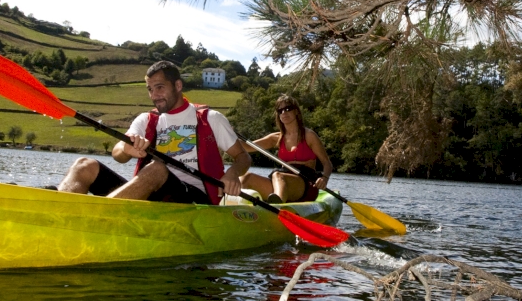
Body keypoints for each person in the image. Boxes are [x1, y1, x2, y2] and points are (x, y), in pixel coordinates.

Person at [58, 60, 249, 203]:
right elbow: (118, 153)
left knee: (157, 168)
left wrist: (232, 173)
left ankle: (101, 214)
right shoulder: (146, 119)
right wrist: (126, 148)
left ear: (178, 86)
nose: (154, 95)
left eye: (159, 87)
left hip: (195, 200)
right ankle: (58, 212)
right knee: (84, 165)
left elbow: (243, 157)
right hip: (149, 194)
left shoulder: (211, 118)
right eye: (150, 89)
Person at [241, 94, 334, 203]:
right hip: (282, 181)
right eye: (280, 110)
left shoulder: (309, 135)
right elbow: (247, 146)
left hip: (306, 184)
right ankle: (239, 209)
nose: (284, 112)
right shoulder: (276, 138)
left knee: (278, 175)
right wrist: (225, 136)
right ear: (278, 115)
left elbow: (327, 163)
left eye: (288, 109)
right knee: (246, 177)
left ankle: (278, 205)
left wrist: (324, 178)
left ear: (296, 111)